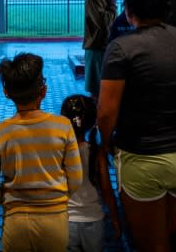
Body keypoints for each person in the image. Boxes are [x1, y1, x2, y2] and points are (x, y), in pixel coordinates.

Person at [97, 0, 176, 252]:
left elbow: (106, 112)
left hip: (144, 161)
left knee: (149, 244)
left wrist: (104, 143)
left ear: (128, 9)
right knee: (167, 231)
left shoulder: (121, 49)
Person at [0, 53, 83, 252]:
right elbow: (76, 179)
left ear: (6, 92)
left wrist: (9, 201)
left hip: (16, 221)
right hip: (55, 220)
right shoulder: (63, 126)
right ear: (43, 91)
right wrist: (56, 197)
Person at [61, 94, 122, 252]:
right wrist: (115, 219)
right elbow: (107, 190)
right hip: (94, 221)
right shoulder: (97, 152)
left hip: (65, 221)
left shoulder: (59, 152)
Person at [83, 0, 121, 98]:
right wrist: (111, 7)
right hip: (96, 48)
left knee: (105, 89)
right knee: (97, 91)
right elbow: (105, 24)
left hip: (105, 48)